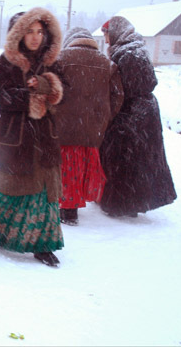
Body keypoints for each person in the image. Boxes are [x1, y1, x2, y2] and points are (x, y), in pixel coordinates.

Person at [0, 7, 65, 267]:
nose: (35, 37)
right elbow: (0, 97)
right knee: (11, 188)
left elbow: (64, 94)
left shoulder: (52, 62)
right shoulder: (5, 62)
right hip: (16, 136)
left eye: (40, 32)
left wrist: (44, 87)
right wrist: (31, 96)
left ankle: (43, 244)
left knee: (44, 193)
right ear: (18, 34)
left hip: (45, 138)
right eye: (29, 31)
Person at [99, 17, 177, 217]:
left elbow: (124, 87)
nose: (105, 38)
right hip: (145, 112)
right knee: (142, 160)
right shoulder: (136, 49)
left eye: (106, 33)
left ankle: (121, 204)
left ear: (115, 32)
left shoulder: (126, 54)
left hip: (131, 113)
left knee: (123, 158)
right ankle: (138, 202)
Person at [54, 27, 124, 225]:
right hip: (92, 128)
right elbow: (118, 96)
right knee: (81, 168)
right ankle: (72, 207)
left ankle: (66, 208)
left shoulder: (60, 59)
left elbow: (51, 90)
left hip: (64, 125)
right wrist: (106, 116)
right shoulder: (107, 64)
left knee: (65, 167)